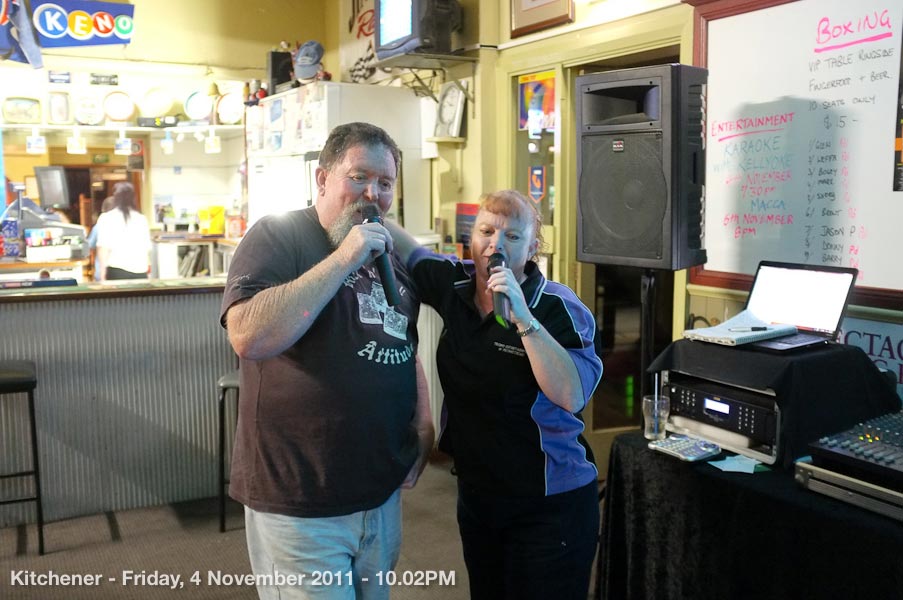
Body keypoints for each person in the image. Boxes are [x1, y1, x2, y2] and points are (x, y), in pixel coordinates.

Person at [220, 121, 433, 600]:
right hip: (301, 498)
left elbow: (402, 342)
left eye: (385, 183)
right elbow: (248, 335)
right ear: (322, 179)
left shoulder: (390, 248)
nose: (373, 194)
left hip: (379, 493)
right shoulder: (280, 235)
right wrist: (343, 260)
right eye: (359, 177)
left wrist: (423, 424)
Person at [387, 189, 603, 600]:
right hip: (479, 496)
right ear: (472, 238)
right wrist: (367, 202)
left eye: (512, 236)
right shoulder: (454, 286)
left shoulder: (558, 307)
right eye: (486, 231)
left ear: (532, 248)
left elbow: (571, 395)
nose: (495, 245)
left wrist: (524, 319)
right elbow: (409, 250)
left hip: (549, 503)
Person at [93, 182, 151, 281]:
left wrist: (102, 273)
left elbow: (103, 247)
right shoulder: (141, 219)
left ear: (116, 197)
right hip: (140, 270)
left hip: (117, 270)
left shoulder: (106, 218)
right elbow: (146, 248)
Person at [86, 196, 115, 281]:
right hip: (122, 271)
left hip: (102, 272)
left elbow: (89, 245)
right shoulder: (125, 225)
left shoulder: (99, 226)